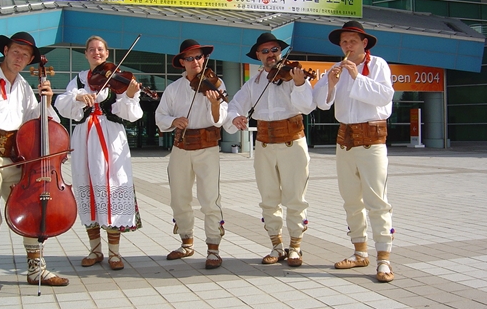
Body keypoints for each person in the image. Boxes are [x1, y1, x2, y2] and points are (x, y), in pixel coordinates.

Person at [0, 31, 69, 294]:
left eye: (26, 55)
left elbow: (37, 121)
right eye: (16, 51)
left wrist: (47, 101)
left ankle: (36, 269)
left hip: (16, 161)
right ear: (5, 50)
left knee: (32, 212)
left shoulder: (22, 86)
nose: (20, 58)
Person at [313, 20, 395, 283]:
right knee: (350, 199)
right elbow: (321, 104)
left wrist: (356, 77)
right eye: (344, 42)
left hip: (372, 138)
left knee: (377, 200)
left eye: (352, 41)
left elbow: (384, 96)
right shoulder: (335, 69)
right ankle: (360, 251)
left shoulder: (378, 64)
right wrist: (332, 83)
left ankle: (384, 258)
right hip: (345, 138)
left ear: (364, 43)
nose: (347, 46)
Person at [224, 32, 314, 267]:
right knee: (269, 198)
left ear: (280, 52)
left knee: (295, 197)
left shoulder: (292, 75)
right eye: (265, 51)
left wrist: (299, 82)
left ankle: (295, 246)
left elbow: (307, 107)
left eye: (274, 50)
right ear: (257, 56)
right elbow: (234, 106)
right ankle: (276, 245)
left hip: (292, 142)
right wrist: (235, 118)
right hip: (264, 144)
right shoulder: (253, 83)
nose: (271, 55)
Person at [54, 36, 143, 271]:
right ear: (86, 53)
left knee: (112, 185)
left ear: (107, 53)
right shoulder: (79, 80)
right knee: (87, 184)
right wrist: (77, 97)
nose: (97, 53)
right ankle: (95, 249)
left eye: (101, 49)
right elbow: (60, 103)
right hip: (84, 137)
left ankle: (115, 253)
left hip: (111, 136)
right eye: (92, 49)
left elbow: (132, 114)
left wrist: (131, 95)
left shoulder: (118, 79)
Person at [155, 39, 227, 269]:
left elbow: (221, 117)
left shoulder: (216, 83)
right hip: (181, 147)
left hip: (207, 147)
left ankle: (213, 247)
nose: (195, 61)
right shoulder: (173, 88)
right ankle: (186, 241)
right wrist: (173, 120)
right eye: (190, 58)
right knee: (179, 196)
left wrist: (215, 105)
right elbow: (160, 116)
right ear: (182, 62)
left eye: (198, 57)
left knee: (210, 198)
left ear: (204, 59)